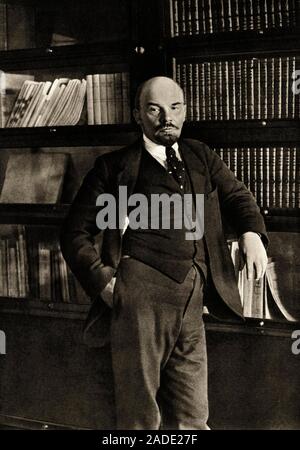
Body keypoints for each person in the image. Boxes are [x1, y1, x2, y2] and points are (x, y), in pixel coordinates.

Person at [60, 76, 268, 430]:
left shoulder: (199, 155)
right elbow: (74, 233)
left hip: (193, 298)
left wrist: (251, 233)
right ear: (138, 116)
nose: (165, 117)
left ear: (185, 112)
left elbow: (237, 196)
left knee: (193, 415)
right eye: (154, 109)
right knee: (139, 416)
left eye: (174, 107)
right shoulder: (114, 168)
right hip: (138, 299)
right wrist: (105, 284)